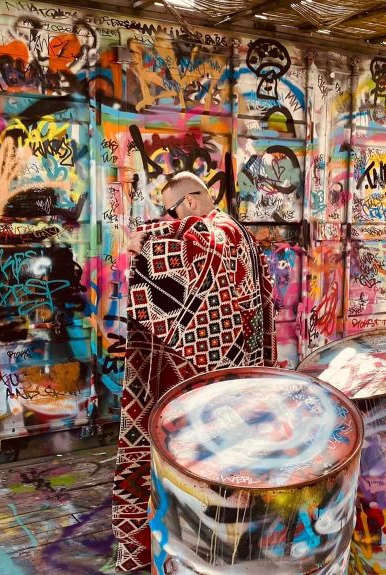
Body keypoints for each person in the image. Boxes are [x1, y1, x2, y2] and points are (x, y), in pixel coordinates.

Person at [112, 172, 277, 572]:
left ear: (189, 202)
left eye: (171, 211)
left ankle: (199, 548)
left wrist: (142, 240)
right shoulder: (244, 237)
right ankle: (234, 543)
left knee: (200, 469)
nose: (170, 220)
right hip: (243, 380)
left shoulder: (216, 232)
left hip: (213, 386)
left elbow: (193, 240)